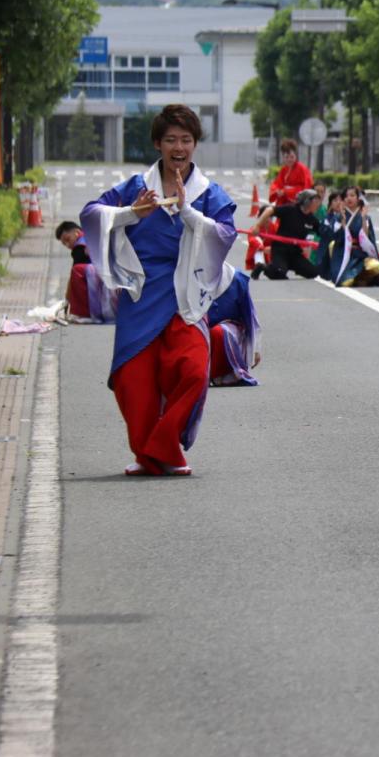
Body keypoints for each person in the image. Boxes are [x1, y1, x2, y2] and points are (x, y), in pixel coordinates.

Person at [80, 103, 237, 477]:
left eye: (186, 139)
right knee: (133, 382)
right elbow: (90, 214)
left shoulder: (208, 194)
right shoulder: (136, 188)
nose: (178, 147)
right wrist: (131, 213)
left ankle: (165, 445)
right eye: (171, 139)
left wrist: (188, 212)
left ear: (195, 144)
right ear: (157, 144)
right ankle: (147, 454)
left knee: (194, 371)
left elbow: (226, 234)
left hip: (186, 296)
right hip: (141, 296)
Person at [251, 189, 323, 281]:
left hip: (295, 252)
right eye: (315, 201)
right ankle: (263, 267)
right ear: (307, 201)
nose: (318, 204)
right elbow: (269, 210)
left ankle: (286, 266)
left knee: (313, 272)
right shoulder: (290, 210)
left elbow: (322, 233)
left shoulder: (312, 219)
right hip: (280, 250)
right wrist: (257, 226)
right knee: (279, 274)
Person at [207, 264, 261, 387]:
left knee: (219, 332)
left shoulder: (235, 278)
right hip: (198, 327)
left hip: (228, 330)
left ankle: (224, 372)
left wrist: (255, 348)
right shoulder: (188, 275)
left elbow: (250, 316)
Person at [57, 220, 116, 323]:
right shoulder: (91, 235)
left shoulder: (80, 247)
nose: (67, 245)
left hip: (105, 278)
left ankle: (83, 313)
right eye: (64, 244)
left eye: (67, 239)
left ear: (77, 232)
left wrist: (67, 299)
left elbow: (74, 275)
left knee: (78, 271)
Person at [326, 185, 379, 287]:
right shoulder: (338, 217)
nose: (349, 198)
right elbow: (337, 238)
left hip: (360, 254)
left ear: (358, 198)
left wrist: (363, 219)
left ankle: (360, 277)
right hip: (344, 255)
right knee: (346, 282)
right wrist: (343, 222)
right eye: (346, 196)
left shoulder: (365, 217)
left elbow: (367, 239)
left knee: (375, 266)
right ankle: (357, 278)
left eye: (352, 195)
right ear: (343, 199)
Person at [268, 138, 313, 207]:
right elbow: (277, 184)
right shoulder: (283, 169)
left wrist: (286, 191)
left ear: (296, 156)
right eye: (286, 157)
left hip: (297, 204)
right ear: (283, 157)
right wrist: (277, 191)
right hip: (284, 202)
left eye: (292, 157)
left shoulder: (302, 169)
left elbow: (305, 187)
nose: (289, 159)